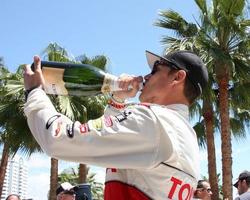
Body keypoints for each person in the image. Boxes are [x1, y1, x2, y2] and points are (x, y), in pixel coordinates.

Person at [23, 50, 208, 200]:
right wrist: (118, 99)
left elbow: (59, 139)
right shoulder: (186, 136)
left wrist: (34, 92)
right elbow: (112, 140)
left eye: (155, 70)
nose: (146, 76)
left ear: (177, 77)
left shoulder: (154, 120)